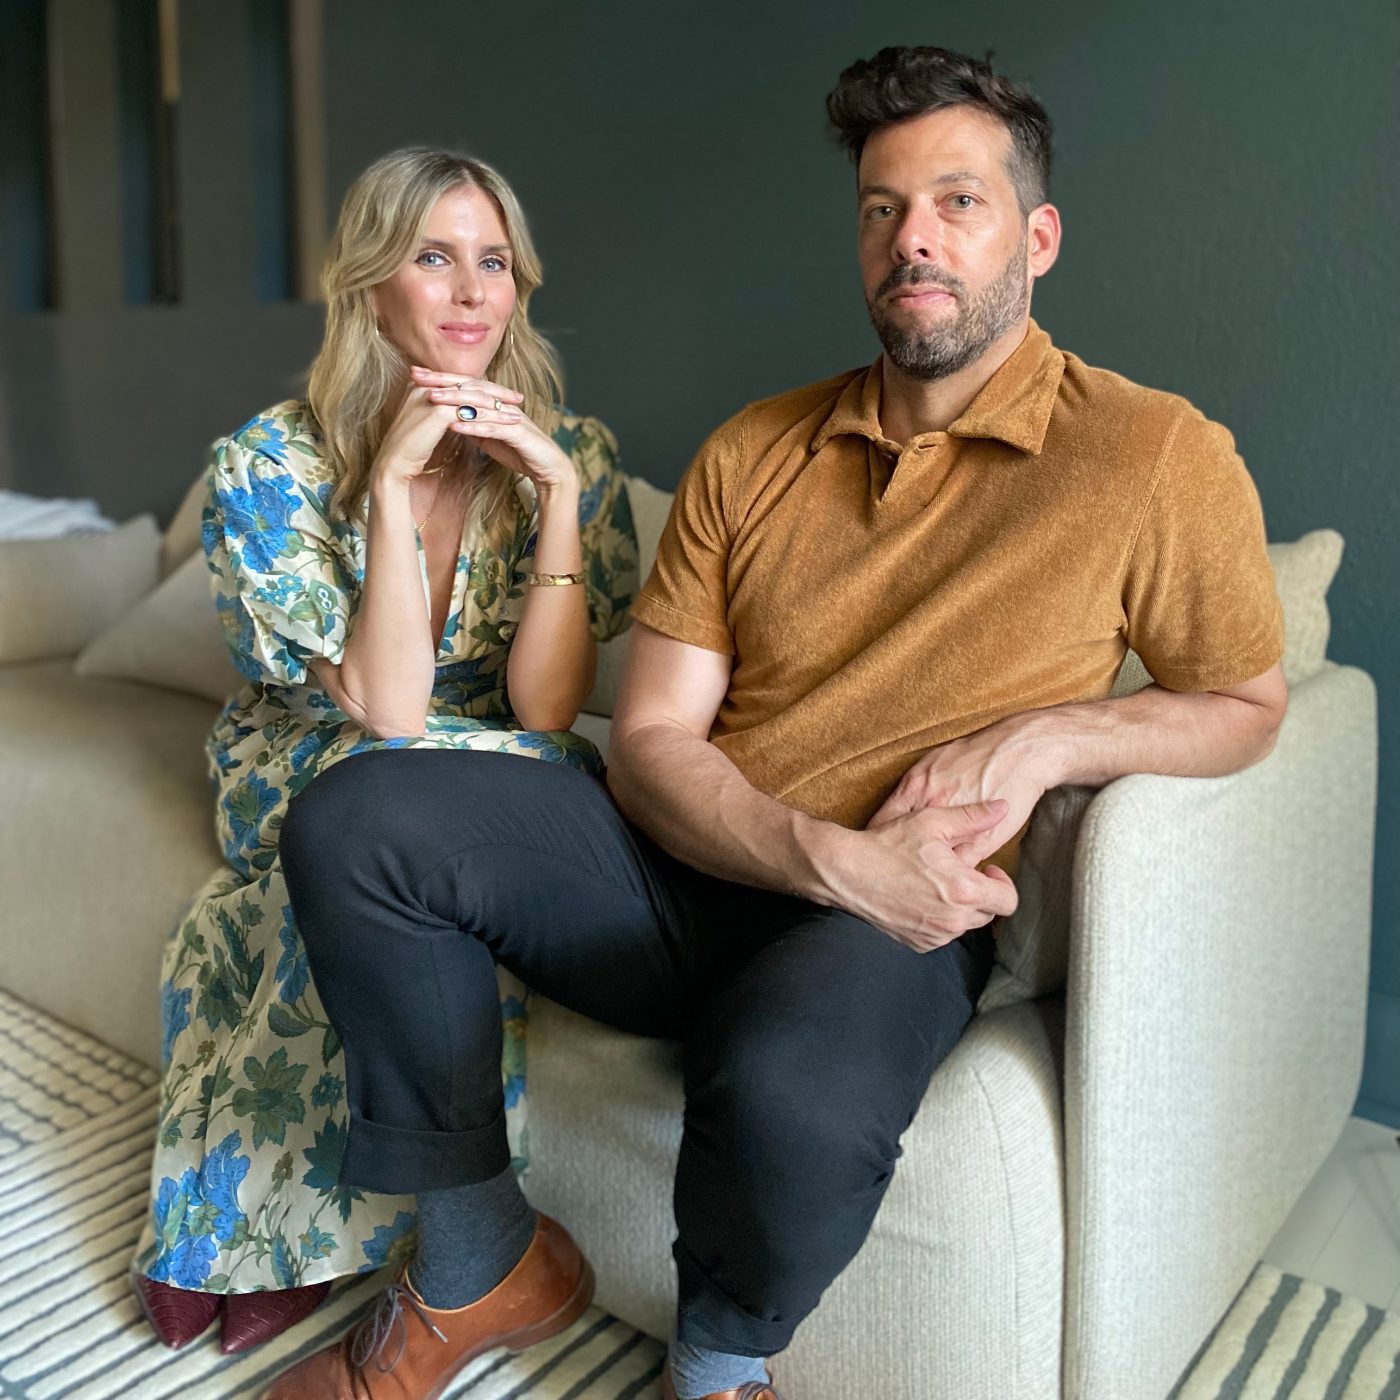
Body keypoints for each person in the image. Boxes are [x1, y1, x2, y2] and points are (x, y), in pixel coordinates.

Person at [270, 46, 1289, 1400]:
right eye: (880, 207)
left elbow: (1247, 703)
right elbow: (651, 741)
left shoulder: (1155, 456)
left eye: (958, 201)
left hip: (880, 924)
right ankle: (476, 1262)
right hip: (685, 874)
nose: (912, 236)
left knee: (795, 1095)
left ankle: (719, 1364)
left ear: (1037, 235)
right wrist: (820, 850)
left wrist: (1051, 740)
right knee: (357, 813)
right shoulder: (756, 451)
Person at [130, 146, 638, 1356]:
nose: (470, 292)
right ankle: (287, 1232)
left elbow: (549, 712)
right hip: (316, 750)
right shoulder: (267, 465)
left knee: (293, 893)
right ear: (369, 285)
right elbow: (390, 709)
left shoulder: (576, 453)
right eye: (432, 257)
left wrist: (559, 494)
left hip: (483, 760)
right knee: (375, 798)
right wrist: (392, 484)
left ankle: (238, 1230)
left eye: (494, 262)